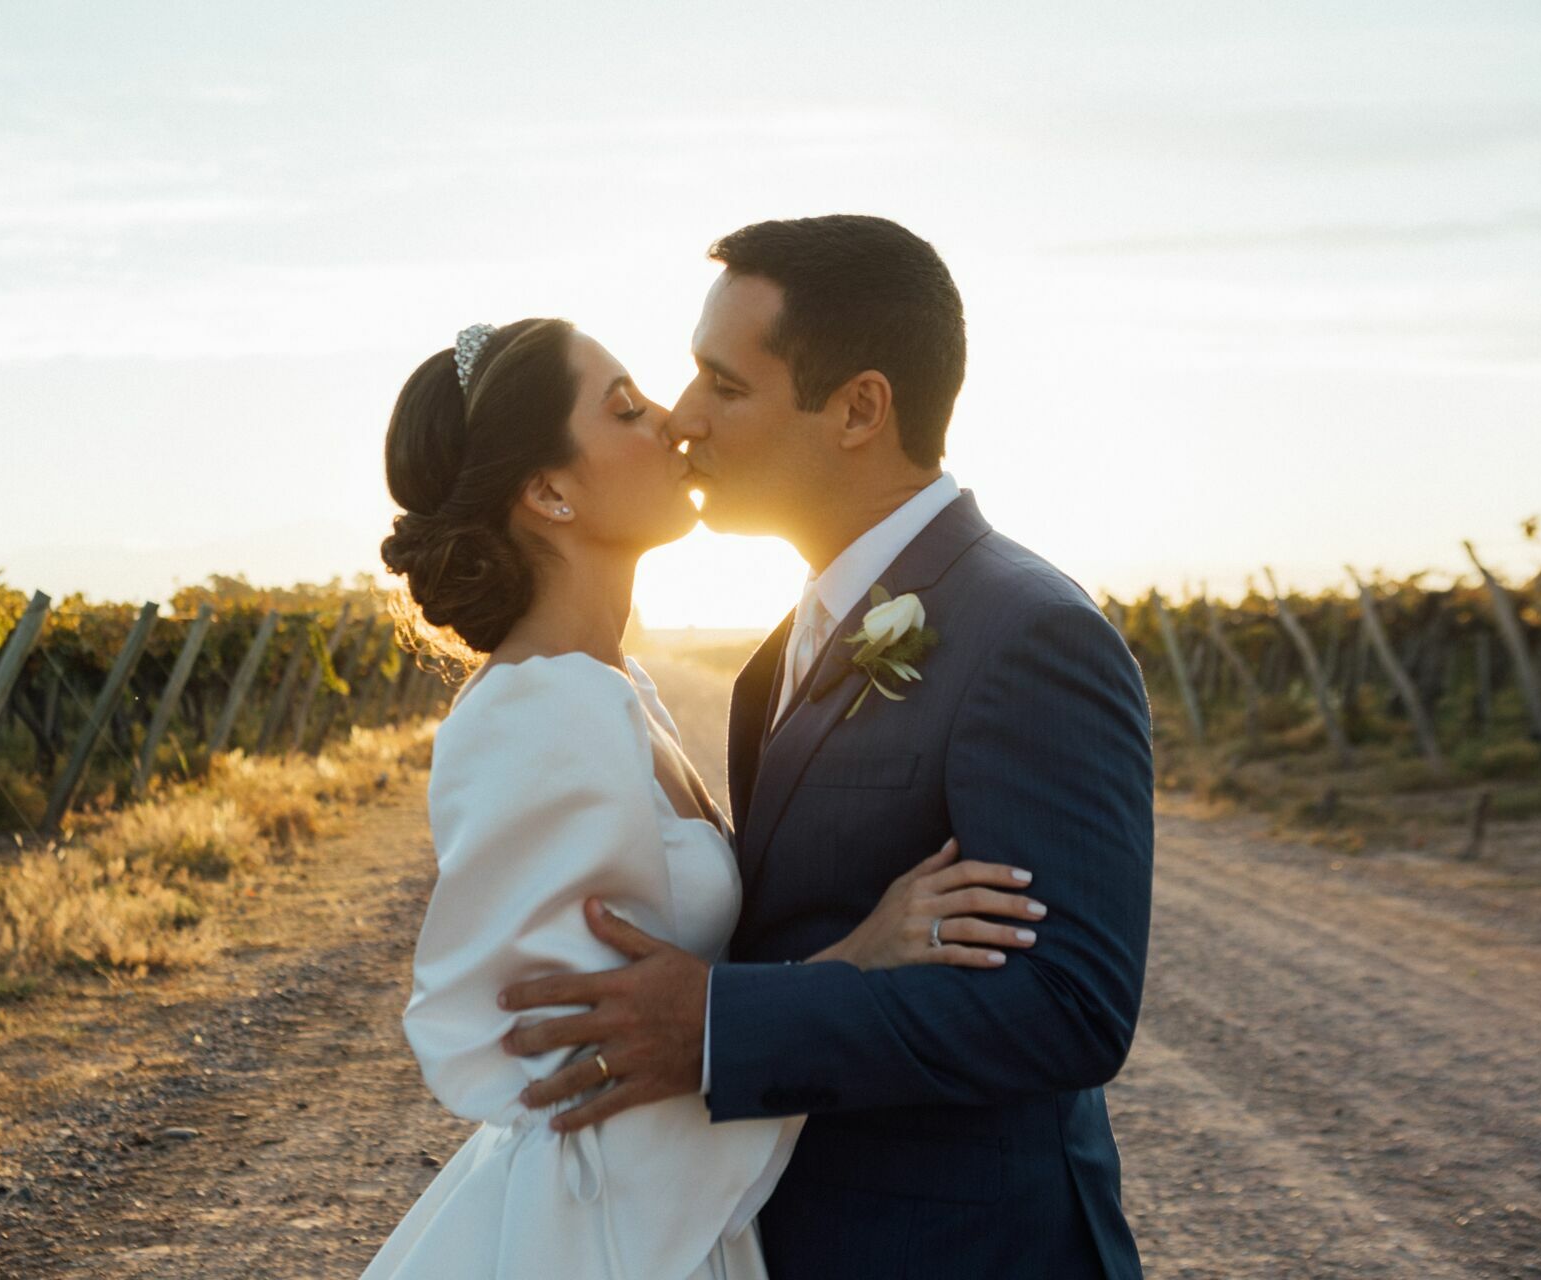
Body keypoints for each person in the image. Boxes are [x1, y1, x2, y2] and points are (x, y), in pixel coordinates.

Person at [497, 216, 1156, 1279]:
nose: (684, 418)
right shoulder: (781, 652)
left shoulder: (1030, 632)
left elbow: (1068, 1006)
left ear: (858, 407)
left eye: (724, 382)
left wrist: (720, 1025)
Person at [360, 313, 1047, 1279]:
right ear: (550, 490)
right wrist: (861, 958)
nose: (675, 424)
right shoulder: (544, 712)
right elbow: (578, 1078)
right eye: (627, 408)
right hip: (601, 1234)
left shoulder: (612, 689)